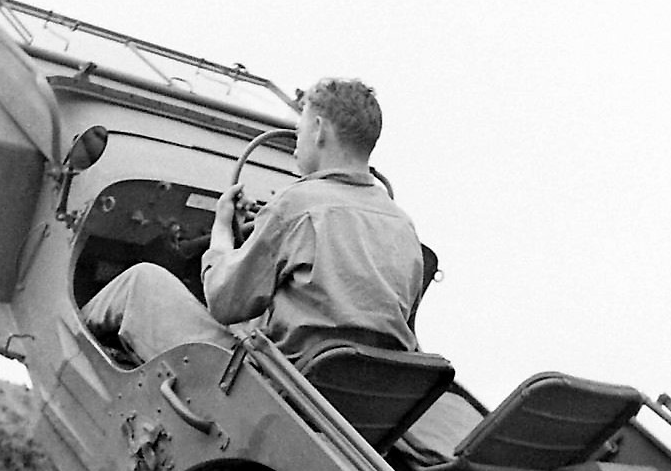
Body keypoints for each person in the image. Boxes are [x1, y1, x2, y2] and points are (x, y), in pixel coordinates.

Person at [82, 78, 425, 363]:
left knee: (140, 282)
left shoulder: (297, 204)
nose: (296, 143)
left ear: (319, 129)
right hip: (333, 395)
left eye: (299, 129)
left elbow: (224, 301)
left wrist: (221, 231)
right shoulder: (404, 228)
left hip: (265, 387)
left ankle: (68, 342)